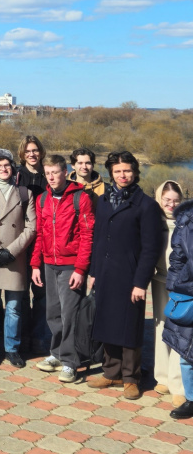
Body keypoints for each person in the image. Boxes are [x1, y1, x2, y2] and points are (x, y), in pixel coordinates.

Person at [88, 151, 163, 399]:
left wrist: (140, 283)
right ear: (111, 173)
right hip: (106, 272)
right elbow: (98, 237)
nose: (122, 175)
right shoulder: (106, 200)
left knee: (129, 326)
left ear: (135, 172)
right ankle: (112, 372)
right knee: (108, 321)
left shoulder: (147, 205)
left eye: (127, 170)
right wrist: (94, 271)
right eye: (118, 171)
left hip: (131, 275)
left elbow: (151, 248)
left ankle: (131, 377)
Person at [30, 155, 94, 383]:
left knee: (70, 315)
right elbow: (39, 234)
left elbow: (87, 236)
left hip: (71, 265)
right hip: (49, 263)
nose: (51, 177)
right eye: (47, 173)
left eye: (55, 172)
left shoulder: (81, 198)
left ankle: (70, 362)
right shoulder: (43, 199)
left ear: (65, 172)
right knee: (53, 313)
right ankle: (56, 354)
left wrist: (80, 269)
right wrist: (35, 264)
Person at [0, 148, 36, 369]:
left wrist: (10, 252)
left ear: (13, 168)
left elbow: (32, 227)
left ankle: (12, 349)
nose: (3, 169)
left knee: (14, 308)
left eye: (7, 165)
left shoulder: (24, 193)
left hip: (15, 258)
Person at [16, 135, 50, 356]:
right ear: (22, 153)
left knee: (41, 294)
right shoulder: (16, 175)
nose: (31, 154)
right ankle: (20, 338)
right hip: (21, 241)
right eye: (28, 151)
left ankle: (39, 337)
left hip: (45, 241)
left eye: (35, 150)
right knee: (19, 294)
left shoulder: (49, 174)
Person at [152, 181, 185, 406]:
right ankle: (162, 377)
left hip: (181, 284)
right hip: (158, 278)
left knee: (179, 330)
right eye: (167, 200)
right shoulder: (153, 220)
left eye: (175, 200)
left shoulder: (187, 223)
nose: (171, 204)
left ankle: (177, 384)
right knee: (160, 326)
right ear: (159, 199)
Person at [162, 192, 193, 419]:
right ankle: (191, 399)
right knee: (187, 350)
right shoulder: (187, 218)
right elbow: (177, 257)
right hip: (189, 292)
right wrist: (175, 286)